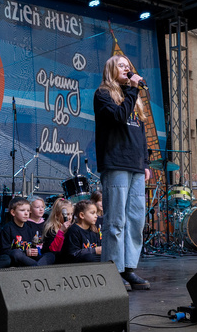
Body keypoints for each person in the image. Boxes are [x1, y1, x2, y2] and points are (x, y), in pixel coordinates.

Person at [93, 54, 152, 290]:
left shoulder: (134, 99)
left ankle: (129, 269)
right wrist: (133, 91)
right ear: (110, 70)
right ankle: (113, 270)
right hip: (116, 162)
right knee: (116, 221)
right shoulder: (103, 94)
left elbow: (141, 135)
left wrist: (146, 163)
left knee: (136, 220)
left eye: (129, 66)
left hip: (136, 166)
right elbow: (118, 117)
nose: (127, 69)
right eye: (121, 66)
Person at [0, 197, 55, 266]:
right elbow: (4, 251)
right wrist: (25, 252)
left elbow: (32, 246)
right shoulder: (7, 228)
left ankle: (38, 267)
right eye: (22, 210)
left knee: (50, 255)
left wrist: (34, 251)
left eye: (28, 211)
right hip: (17, 260)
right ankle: (38, 267)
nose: (26, 213)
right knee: (16, 253)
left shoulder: (29, 228)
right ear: (13, 212)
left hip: (29, 260)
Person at [62, 199, 102, 264]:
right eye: (92, 213)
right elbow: (73, 254)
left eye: (96, 213)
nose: (96, 216)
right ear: (82, 215)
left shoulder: (94, 229)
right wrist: (94, 251)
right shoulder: (74, 230)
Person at [41, 197, 74, 263]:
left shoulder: (73, 227)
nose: (70, 217)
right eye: (67, 214)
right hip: (53, 259)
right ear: (57, 215)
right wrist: (61, 232)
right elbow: (54, 250)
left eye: (71, 214)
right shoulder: (51, 229)